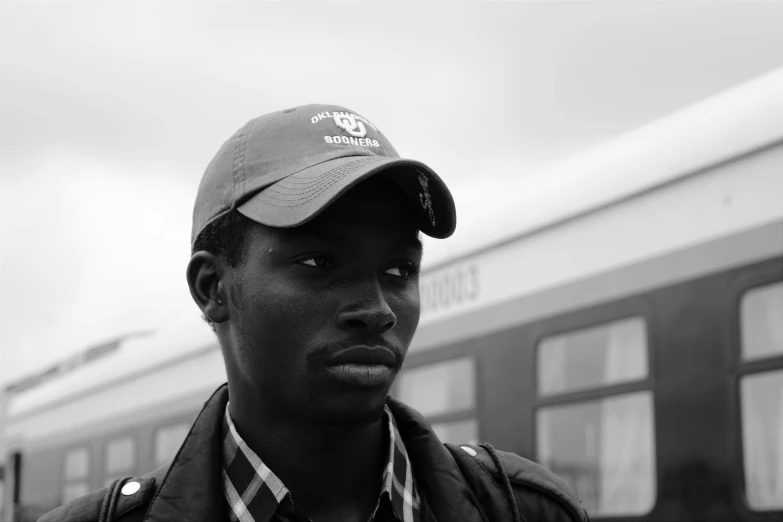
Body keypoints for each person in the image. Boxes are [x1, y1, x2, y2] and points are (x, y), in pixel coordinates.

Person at [39, 105, 589, 522]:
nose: (376, 311)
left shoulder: (528, 511)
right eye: (319, 262)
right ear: (213, 289)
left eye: (399, 270)